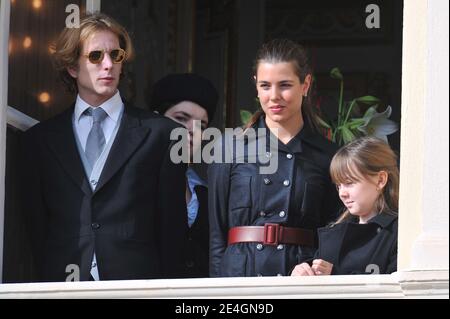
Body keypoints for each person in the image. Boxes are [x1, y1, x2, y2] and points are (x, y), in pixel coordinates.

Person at [21, 13, 188, 282]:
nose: (108, 65)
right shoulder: (39, 141)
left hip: (138, 286)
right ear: (72, 67)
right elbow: (36, 229)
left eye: (116, 55)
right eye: (96, 56)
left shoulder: (163, 134)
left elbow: (172, 231)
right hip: (62, 285)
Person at [208, 38, 342, 277]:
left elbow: (334, 231)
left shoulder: (327, 155)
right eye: (265, 85)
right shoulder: (229, 146)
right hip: (240, 279)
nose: (274, 96)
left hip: (300, 279)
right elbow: (216, 235)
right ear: (256, 86)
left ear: (305, 84)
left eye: (285, 85)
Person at [291, 136, 399, 276]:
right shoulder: (334, 233)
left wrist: (336, 276)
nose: (342, 193)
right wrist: (300, 274)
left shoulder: (399, 233)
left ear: (380, 180)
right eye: (338, 186)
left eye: (349, 182)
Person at [149, 73, 219, 278]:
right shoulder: (134, 180)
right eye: (181, 118)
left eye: (202, 125)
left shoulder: (205, 190)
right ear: (156, 118)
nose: (192, 130)